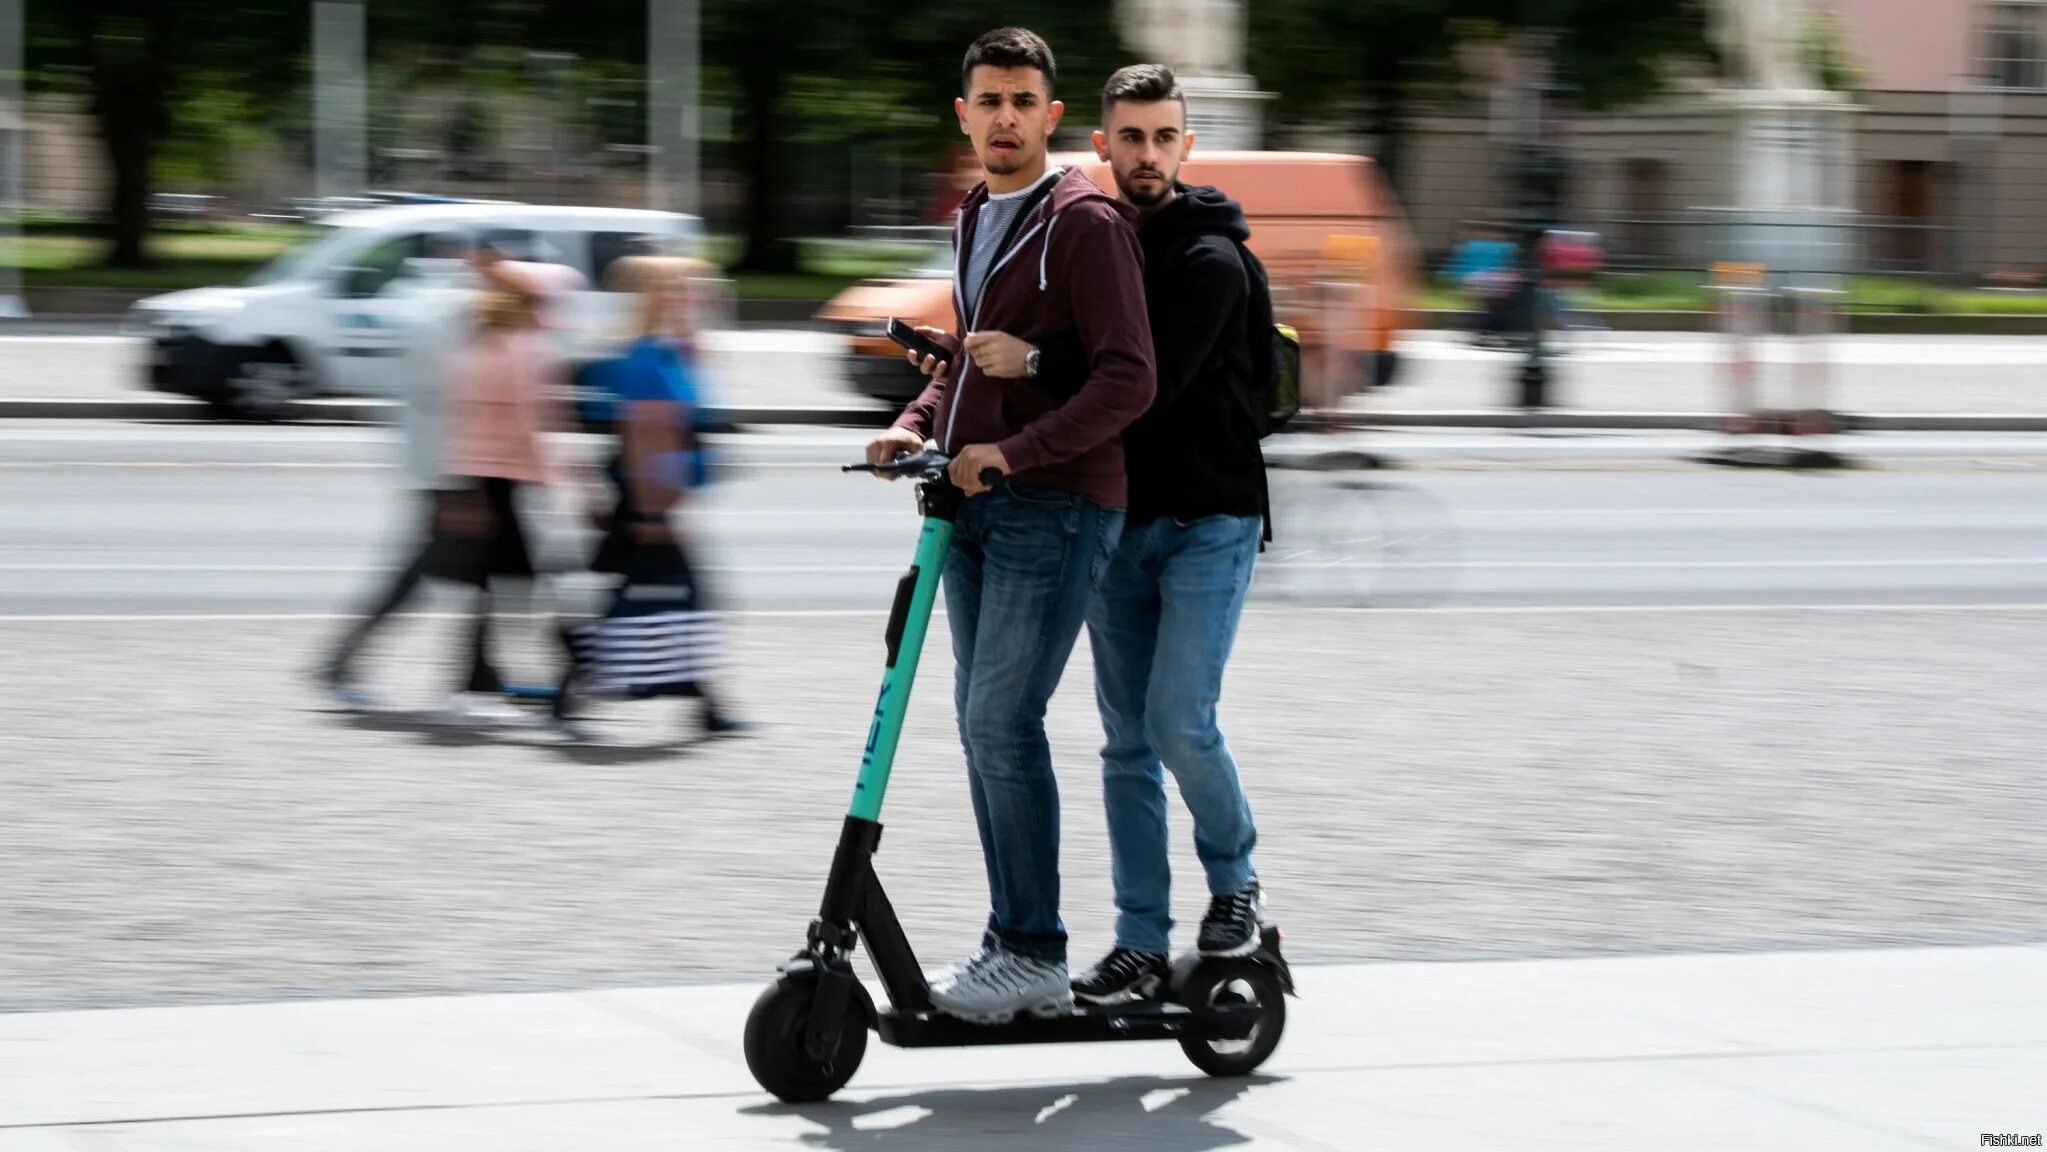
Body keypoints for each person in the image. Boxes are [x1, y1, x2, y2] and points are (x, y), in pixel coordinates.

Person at [866, 26, 1156, 1023]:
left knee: (1001, 722)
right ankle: (1010, 943)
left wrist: (1018, 452)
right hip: (973, 503)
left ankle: (1031, 952)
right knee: (979, 727)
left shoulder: (1084, 221)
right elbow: (969, 359)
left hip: (1057, 504)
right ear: (964, 115)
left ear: (1050, 115)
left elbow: (1129, 377)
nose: (1003, 118)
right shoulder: (976, 213)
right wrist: (910, 425)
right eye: (987, 101)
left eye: (1021, 102)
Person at [977, 64, 1270, 1004]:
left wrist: (1036, 363)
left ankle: (1236, 887)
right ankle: (1140, 941)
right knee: (1122, 742)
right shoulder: (1095, 241)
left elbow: (1143, 383)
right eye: (1129, 138)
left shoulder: (1209, 260)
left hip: (1209, 520)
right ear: (1100, 145)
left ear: (1187, 146)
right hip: (1120, 521)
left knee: (1177, 720)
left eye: (1163, 138)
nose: (1145, 154)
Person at [552, 254, 746, 740]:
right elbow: (646, 436)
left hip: (646, 500)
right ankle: (700, 704)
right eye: (684, 289)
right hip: (645, 501)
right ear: (659, 296)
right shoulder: (649, 355)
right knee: (685, 598)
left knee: (639, 595)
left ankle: (571, 688)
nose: (697, 297)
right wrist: (652, 509)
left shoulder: (670, 350)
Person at [423, 248, 587, 724]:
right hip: (511, 489)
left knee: (497, 591)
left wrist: (461, 491)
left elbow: (455, 422)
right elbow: (532, 427)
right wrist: (571, 484)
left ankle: (475, 685)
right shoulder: (528, 352)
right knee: (549, 586)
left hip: (480, 487)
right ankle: (571, 677)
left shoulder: (473, 348)